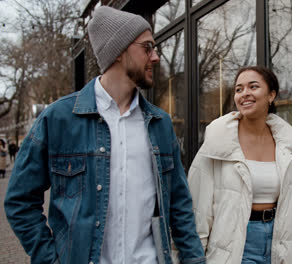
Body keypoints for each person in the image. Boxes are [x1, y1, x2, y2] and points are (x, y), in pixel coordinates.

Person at [4, 6, 205, 264]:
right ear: (119, 51)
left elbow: (179, 205)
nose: (155, 57)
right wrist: (49, 258)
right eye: (147, 47)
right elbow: (20, 201)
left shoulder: (160, 123)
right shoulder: (58, 118)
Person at [188, 66, 292, 263]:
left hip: (280, 241)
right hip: (237, 244)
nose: (244, 94)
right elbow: (198, 210)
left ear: (271, 95)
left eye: (253, 86)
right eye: (239, 89)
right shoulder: (218, 143)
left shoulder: (285, 146)